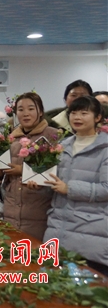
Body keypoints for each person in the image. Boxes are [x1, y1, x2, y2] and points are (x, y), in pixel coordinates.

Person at [44, 96, 108, 275]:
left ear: (98, 117)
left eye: (84, 113)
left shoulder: (105, 149)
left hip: (90, 234)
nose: (77, 117)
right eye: (73, 113)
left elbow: (106, 188)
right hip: (57, 228)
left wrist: (69, 188)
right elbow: (54, 182)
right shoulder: (61, 146)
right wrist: (40, 184)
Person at [2, 93, 58, 240]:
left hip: (39, 209)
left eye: (31, 109)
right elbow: (5, 176)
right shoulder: (12, 138)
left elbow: (57, 171)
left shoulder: (53, 136)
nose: (25, 113)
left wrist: (23, 171)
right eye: (20, 109)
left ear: (40, 112)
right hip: (11, 207)